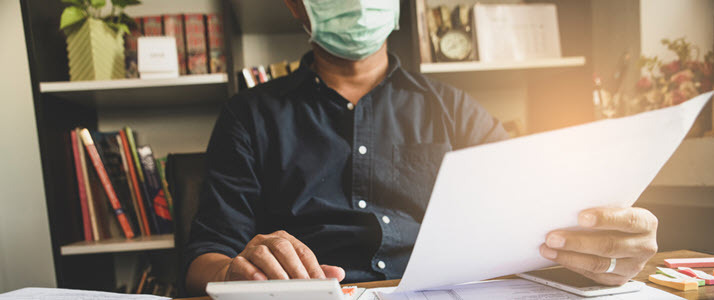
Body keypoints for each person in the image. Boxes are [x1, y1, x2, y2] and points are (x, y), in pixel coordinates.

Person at [184, 0, 658, 295]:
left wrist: (600, 250)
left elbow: (539, 222)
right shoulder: (248, 115)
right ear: (294, 4)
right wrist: (236, 271)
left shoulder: (456, 110)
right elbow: (202, 261)